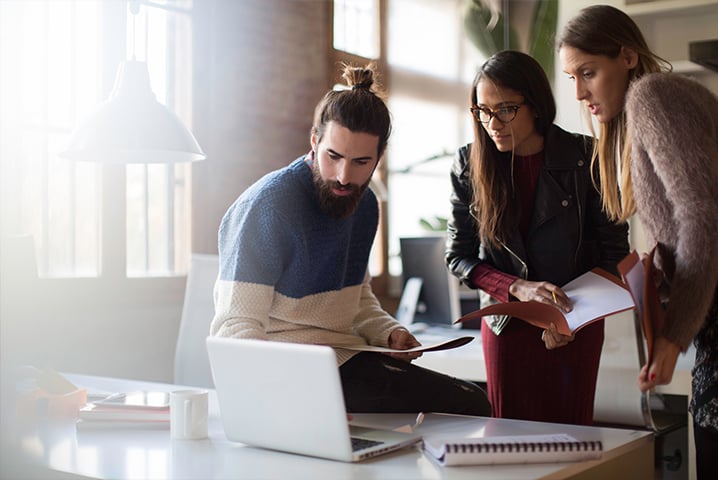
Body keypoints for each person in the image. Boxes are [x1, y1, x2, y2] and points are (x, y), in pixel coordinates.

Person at [210, 63, 491, 416]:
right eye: (333, 157)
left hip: (347, 359)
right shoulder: (267, 206)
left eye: (361, 162)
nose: (344, 176)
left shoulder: (366, 204)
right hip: (290, 372)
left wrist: (388, 332)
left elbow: (356, 300)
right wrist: (278, 401)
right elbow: (235, 329)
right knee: (465, 406)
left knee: (471, 401)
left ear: (378, 158)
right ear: (315, 141)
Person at [558, 5, 718, 476]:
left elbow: (702, 217)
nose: (580, 92)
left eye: (588, 72)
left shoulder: (652, 96)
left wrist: (673, 336)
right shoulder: (664, 102)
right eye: (572, 77)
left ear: (627, 56)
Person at [445, 50, 629, 425]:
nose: (492, 123)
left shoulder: (587, 157)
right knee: (510, 443)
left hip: (575, 325)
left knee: (572, 444)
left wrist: (569, 322)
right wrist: (516, 288)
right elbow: (459, 257)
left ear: (537, 106)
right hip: (507, 329)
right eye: (482, 111)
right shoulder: (468, 164)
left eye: (505, 110)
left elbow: (615, 255)